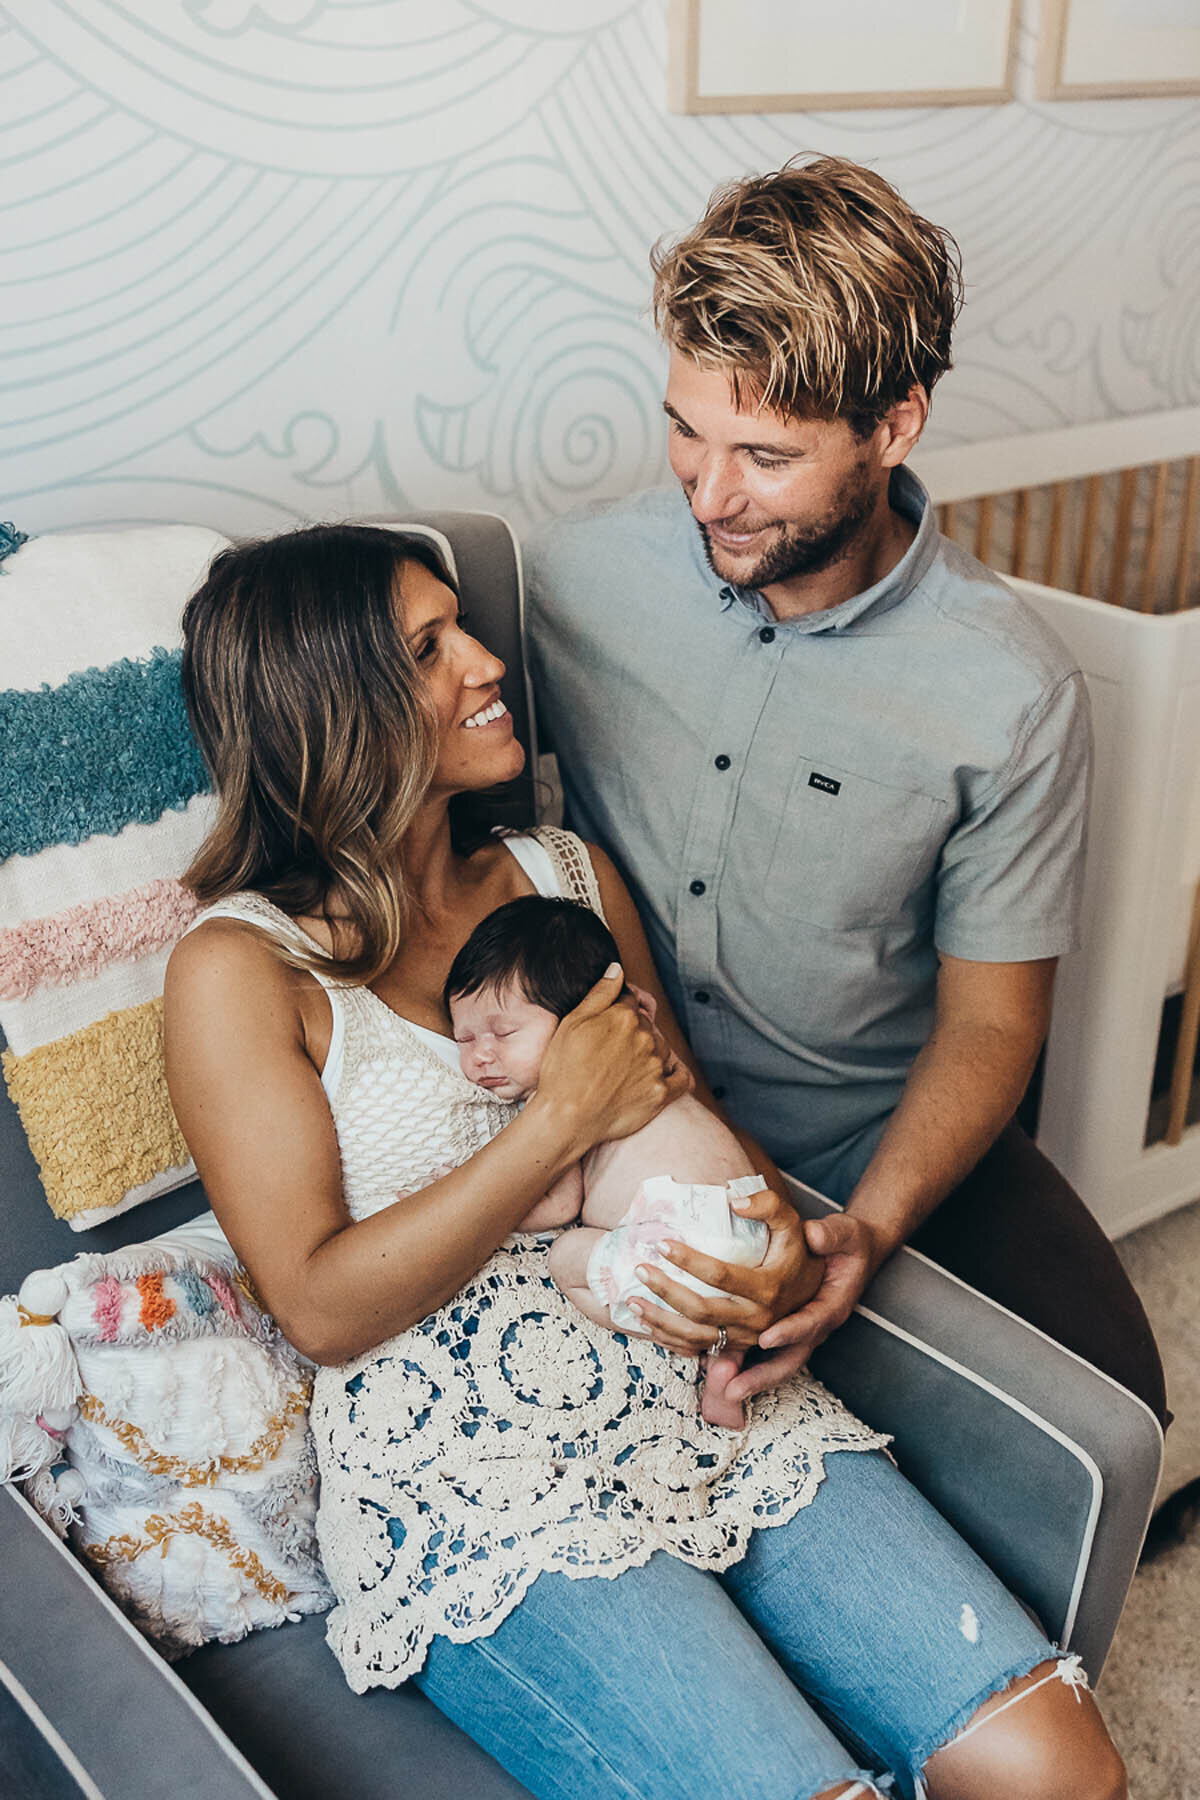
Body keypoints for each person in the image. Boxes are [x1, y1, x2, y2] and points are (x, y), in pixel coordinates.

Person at [163, 521, 1126, 1800]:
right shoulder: (241, 969)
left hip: (696, 1382)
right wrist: (555, 1123)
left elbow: (689, 1126)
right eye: (431, 646)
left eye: (465, 623)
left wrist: (771, 1228)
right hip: (473, 1458)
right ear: (333, 708)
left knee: (1055, 1765)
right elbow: (319, 1305)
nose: (489, 658)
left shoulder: (563, 876)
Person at [523, 154, 1168, 1430]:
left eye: (765, 454)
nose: (708, 493)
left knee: (1121, 1404)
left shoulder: (1012, 695)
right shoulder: (572, 579)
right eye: (685, 430)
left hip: (866, 1135)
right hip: (628, 1116)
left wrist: (869, 1229)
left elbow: (990, 1025)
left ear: (895, 425)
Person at [445, 892, 788, 1428]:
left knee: (566, 1256)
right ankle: (727, 1366)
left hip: (674, 1241)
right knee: (713, 1295)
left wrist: (470, 1200)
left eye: (504, 1032)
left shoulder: (578, 1088)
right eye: (463, 1038)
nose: (480, 1054)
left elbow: (559, 1203)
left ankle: (677, 1345)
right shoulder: (653, 1062)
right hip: (751, 1237)